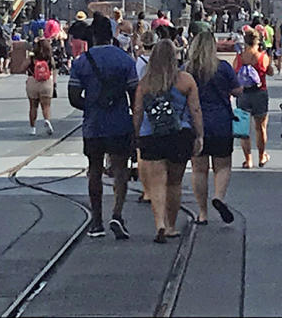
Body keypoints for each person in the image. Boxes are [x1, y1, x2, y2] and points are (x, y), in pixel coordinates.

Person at [69, 12, 138, 240]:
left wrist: (91, 106)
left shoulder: (82, 62)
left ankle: (96, 222)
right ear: (112, 36)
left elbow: (73, 97)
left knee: (95, 171)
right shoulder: (125, 60)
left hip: (93, 125)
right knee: (120, 170)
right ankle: (117, 213)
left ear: (93, 37)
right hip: (119, 123)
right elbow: (135, 96)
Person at [133, 39, 203, 243]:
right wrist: (199, 135)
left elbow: (137, 111)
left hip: (151, 136)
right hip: (179, 135)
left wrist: (135, 135)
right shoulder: (186, 80)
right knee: (174, 183)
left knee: (156, 183)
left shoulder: (145, 83)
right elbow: (195, 110)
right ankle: (171, 225)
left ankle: (159, 224)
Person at [185, 31, 241, 225]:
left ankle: (202, 213)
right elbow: (237, 90)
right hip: (221, 122)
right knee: (223, 165)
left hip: (196, 123)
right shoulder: (223, 67)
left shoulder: (188, 69)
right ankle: (219, 197)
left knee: (199, 169)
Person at [233, 28, 272, 168]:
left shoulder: (240, 57)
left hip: (243, 94)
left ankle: (248, 159)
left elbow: (234, 74)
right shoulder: (262, 57)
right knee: (260, 127)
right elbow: (271, 72)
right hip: (260, 93)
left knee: (244, 128)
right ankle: (262, 156)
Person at [25, 38, 55, 136]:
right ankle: (47, 120)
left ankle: (32, 128)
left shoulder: (32, 57)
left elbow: (22, 67)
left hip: (32, 81)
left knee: (33, 106)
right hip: (46, 82)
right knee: (46, 106)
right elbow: (54, 68)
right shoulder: (49, 57)